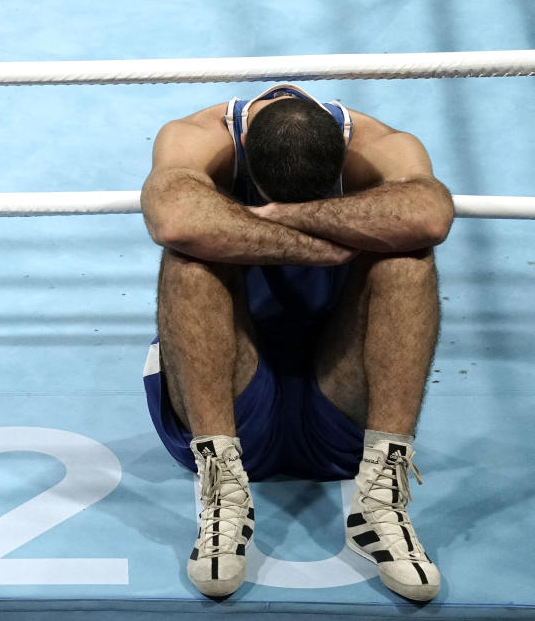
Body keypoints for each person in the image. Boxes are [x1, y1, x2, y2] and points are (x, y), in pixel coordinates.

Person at [139, 84, 455, 602]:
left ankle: (379, 499)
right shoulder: (196, 137)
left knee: (408, 259)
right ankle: (221, 488)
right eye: (273, 198)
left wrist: (270, 218)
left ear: (339, 171)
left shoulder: (379, 145)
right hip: (231, 398)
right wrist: (334, 242)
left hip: (339, 400)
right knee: (190, 258)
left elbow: (429, 215)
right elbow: (174, 217)